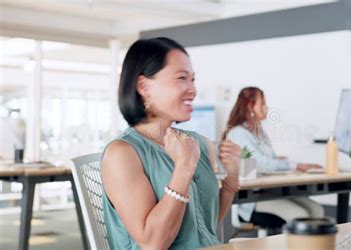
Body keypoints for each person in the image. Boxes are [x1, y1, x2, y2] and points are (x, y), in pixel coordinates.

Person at [101, 37, 241, 249]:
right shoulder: (122, 153)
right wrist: (183, 169)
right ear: (143, 86)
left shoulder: (198, 144)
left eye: (193, 79)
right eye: (182, 78)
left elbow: (203, 229)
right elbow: (153, 243)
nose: (193, 90)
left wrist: (229, 185)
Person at [223, 87, 325, 231]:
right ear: (250, 106)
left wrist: (280, 161)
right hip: (251, 201)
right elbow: (261, 163)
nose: (266, 108)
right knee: (301, 216)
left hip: (270, 192)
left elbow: (267, 158)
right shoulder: (238, 133)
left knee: (316, 211)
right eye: (263, 104)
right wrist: (295, 165)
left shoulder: (258, 131)